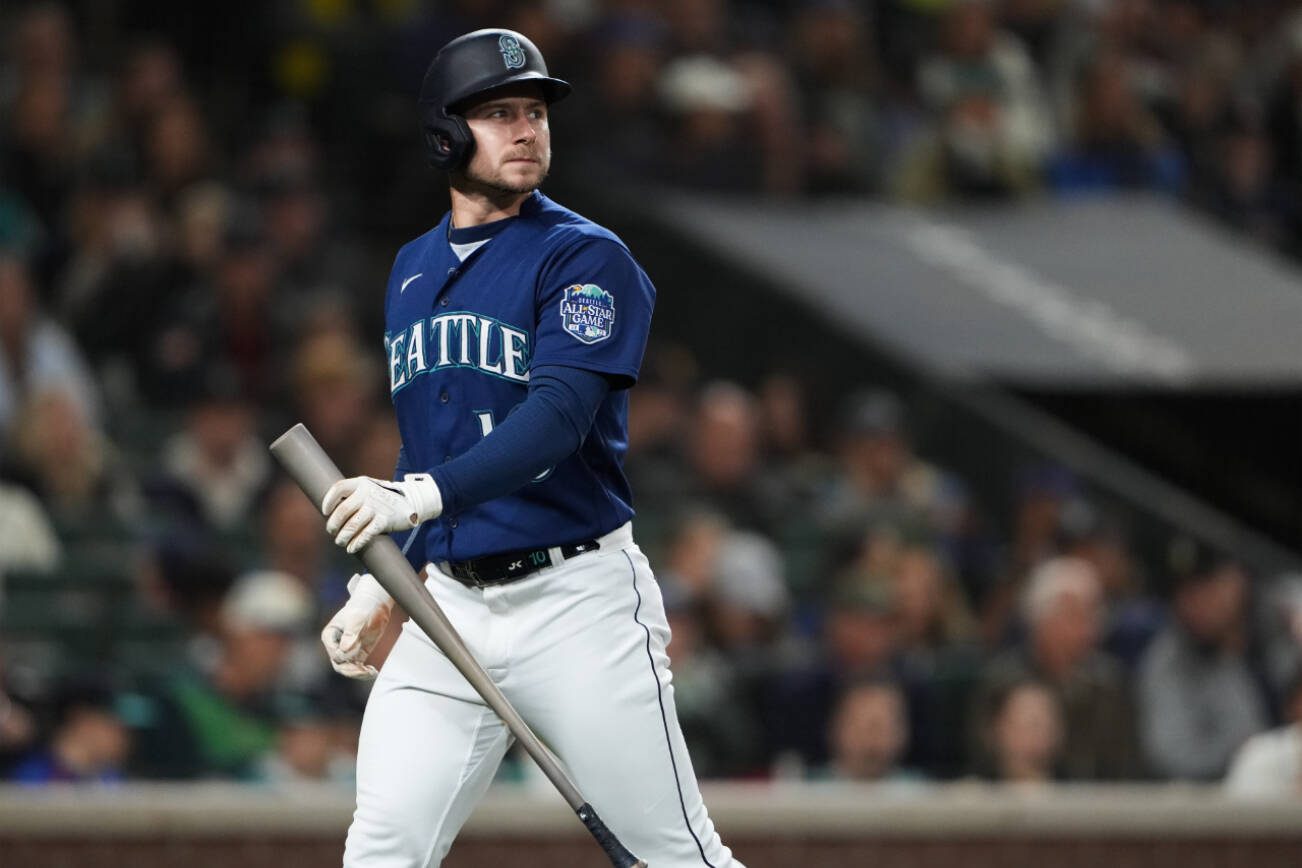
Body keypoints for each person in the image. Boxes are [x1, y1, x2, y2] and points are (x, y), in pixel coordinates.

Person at [314, 29, 741, 867]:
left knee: (675, 855)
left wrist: (418, 499)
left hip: (575, 599)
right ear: (445, 133)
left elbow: (556, 421)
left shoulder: (584, 255)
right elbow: (431, 444)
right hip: (452, 606)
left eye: (536, 112)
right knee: (381, 849)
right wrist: (388, 577)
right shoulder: (409, 268)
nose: (527, 129)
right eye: (500, 113)